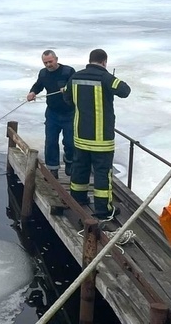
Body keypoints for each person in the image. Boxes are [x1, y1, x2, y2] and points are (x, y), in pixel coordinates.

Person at [63, 49, 130, 220]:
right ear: (104, 62)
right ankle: (103, 209)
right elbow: (125, 90)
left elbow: (68, 99)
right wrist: (111, 79)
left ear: (90, 60)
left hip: (80, 136)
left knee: (80, 168)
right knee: (102, 173)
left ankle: (77, 200)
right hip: (101, 139)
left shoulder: (75, 77)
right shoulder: (105, 78)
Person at [27, 50, 76, 179]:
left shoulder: (68, 71)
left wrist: (68, 89)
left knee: (70, 142)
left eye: (50, 61)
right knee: (50, 142)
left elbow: (77, 87)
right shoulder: (43, 73)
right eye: (45, 63)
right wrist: (33, 92)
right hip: (52, 113)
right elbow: (38, 85)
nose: (48, 65)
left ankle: (69, 161)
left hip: (69, 113)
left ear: (56, 59)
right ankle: (52, 169)